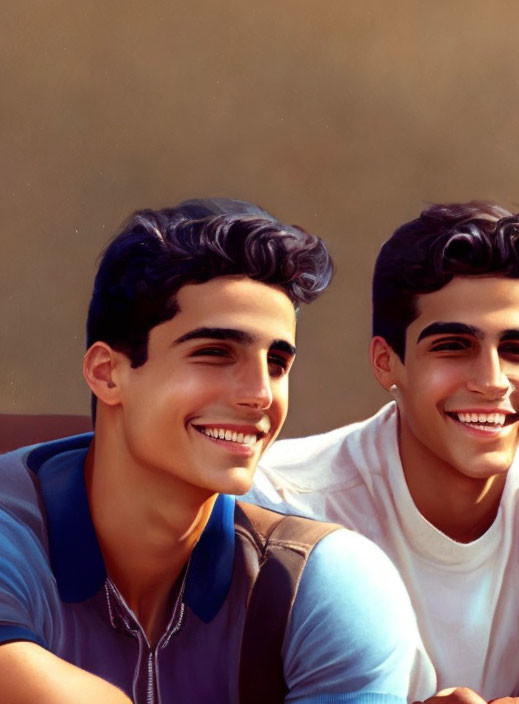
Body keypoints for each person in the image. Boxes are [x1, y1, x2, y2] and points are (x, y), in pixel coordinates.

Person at [0, 199, 424, 703]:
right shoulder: (12, 533)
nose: (260, 394)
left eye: (276, 362)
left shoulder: (322, 583)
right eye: (215, 353)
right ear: (106, 373)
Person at [248, 202, 519, 704]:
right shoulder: (278, 507)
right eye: (453, 346)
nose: (492, 382)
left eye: (517, 350)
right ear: (387, 364)